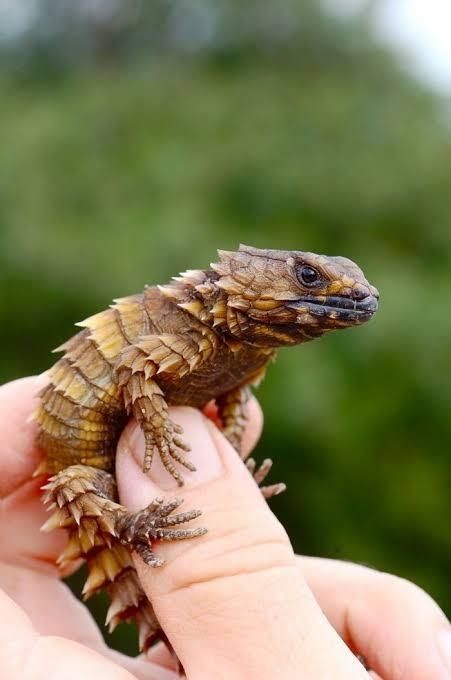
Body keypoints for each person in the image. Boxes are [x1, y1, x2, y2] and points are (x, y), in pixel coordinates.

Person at [0, 375, 450, 679]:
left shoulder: (242, 361)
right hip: (90, 482)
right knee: (74, 486)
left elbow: (230, 404)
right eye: (307, 278)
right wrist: (160, 454)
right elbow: (138, 376)